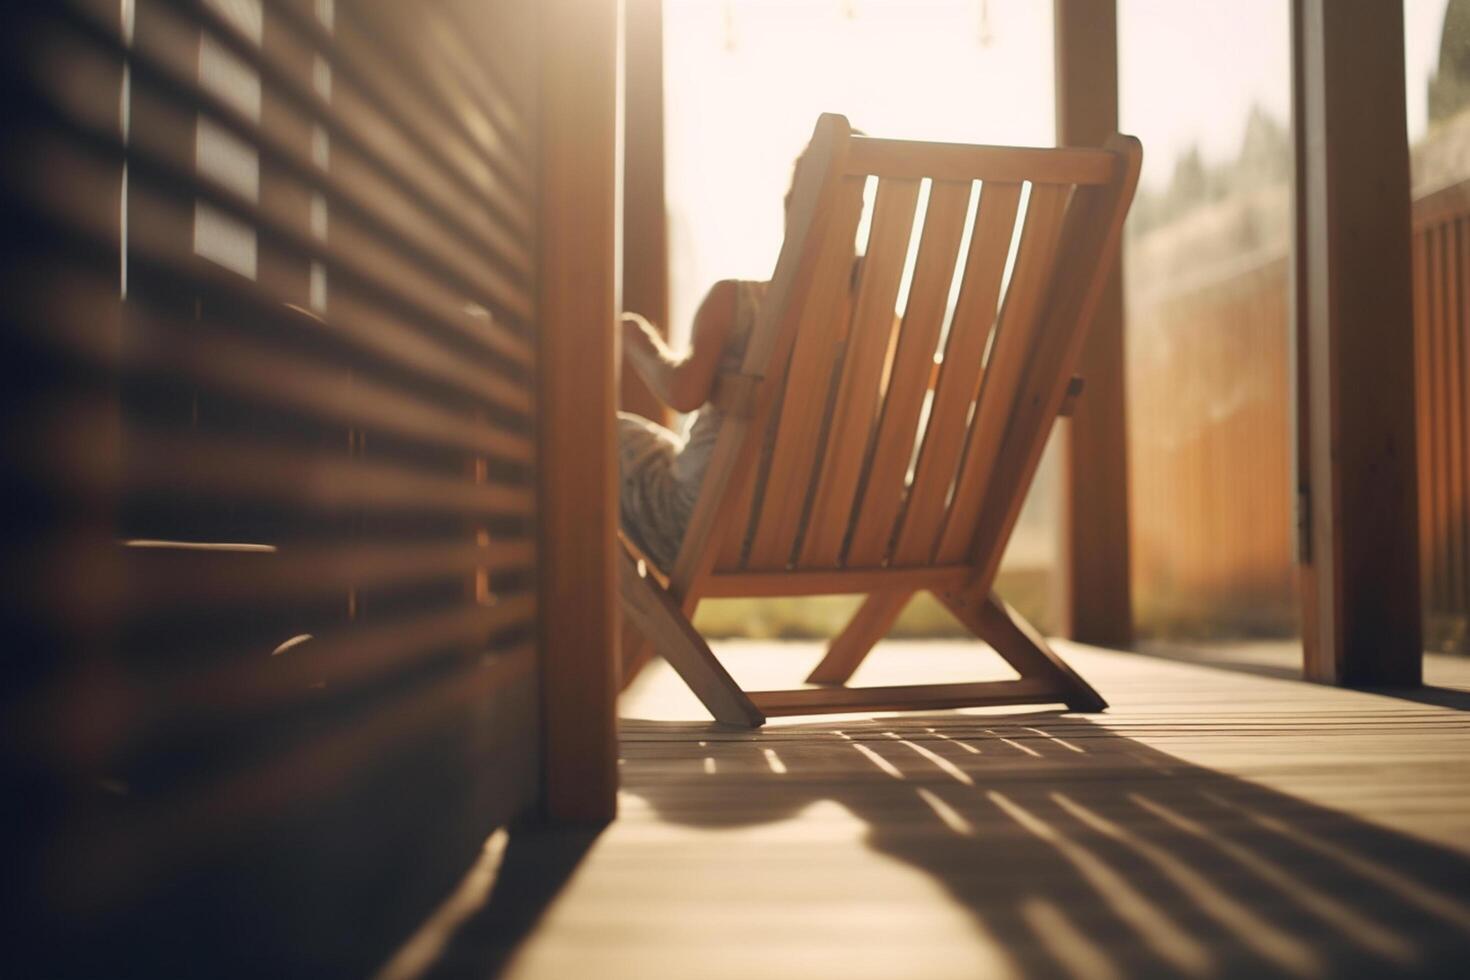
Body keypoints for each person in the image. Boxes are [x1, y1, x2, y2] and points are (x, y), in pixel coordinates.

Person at [617, 276, 769, 571]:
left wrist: (632, 336)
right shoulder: (880, 325)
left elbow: (683, 394)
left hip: (697, 531)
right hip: (822, 537)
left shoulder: (736, 301)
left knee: (591, 434)